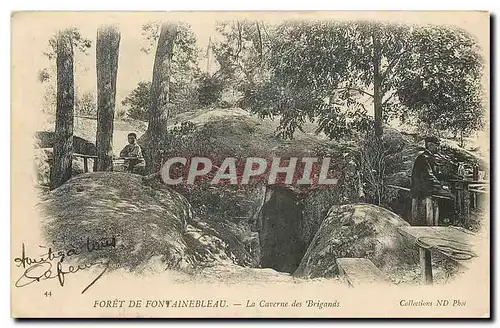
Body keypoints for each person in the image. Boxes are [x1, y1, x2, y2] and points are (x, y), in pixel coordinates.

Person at [410, 136, 452, 226]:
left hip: (427, 186)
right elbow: (429, 176)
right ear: (429, 145)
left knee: (448, 193)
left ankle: (442, 220)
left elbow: (436, 174)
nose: (438, 148)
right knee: (450, 196)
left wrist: (450, 177)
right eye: (436, 145)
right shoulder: (423, 158)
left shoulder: (429, 157)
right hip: (421, 188)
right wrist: (441, 186)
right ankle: (445, 220)